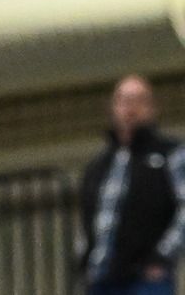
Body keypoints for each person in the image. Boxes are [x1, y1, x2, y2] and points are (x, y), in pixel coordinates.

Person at [78, 74, 185, 295]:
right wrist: (84, 261)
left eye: (139, 100)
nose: (131, 108)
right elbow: (87, 220)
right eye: (125, 101)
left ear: (152, 107)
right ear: (113, 107)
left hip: (146, 281)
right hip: (101, 280)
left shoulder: (170, 155)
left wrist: (162, 256)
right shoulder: (98, 166)